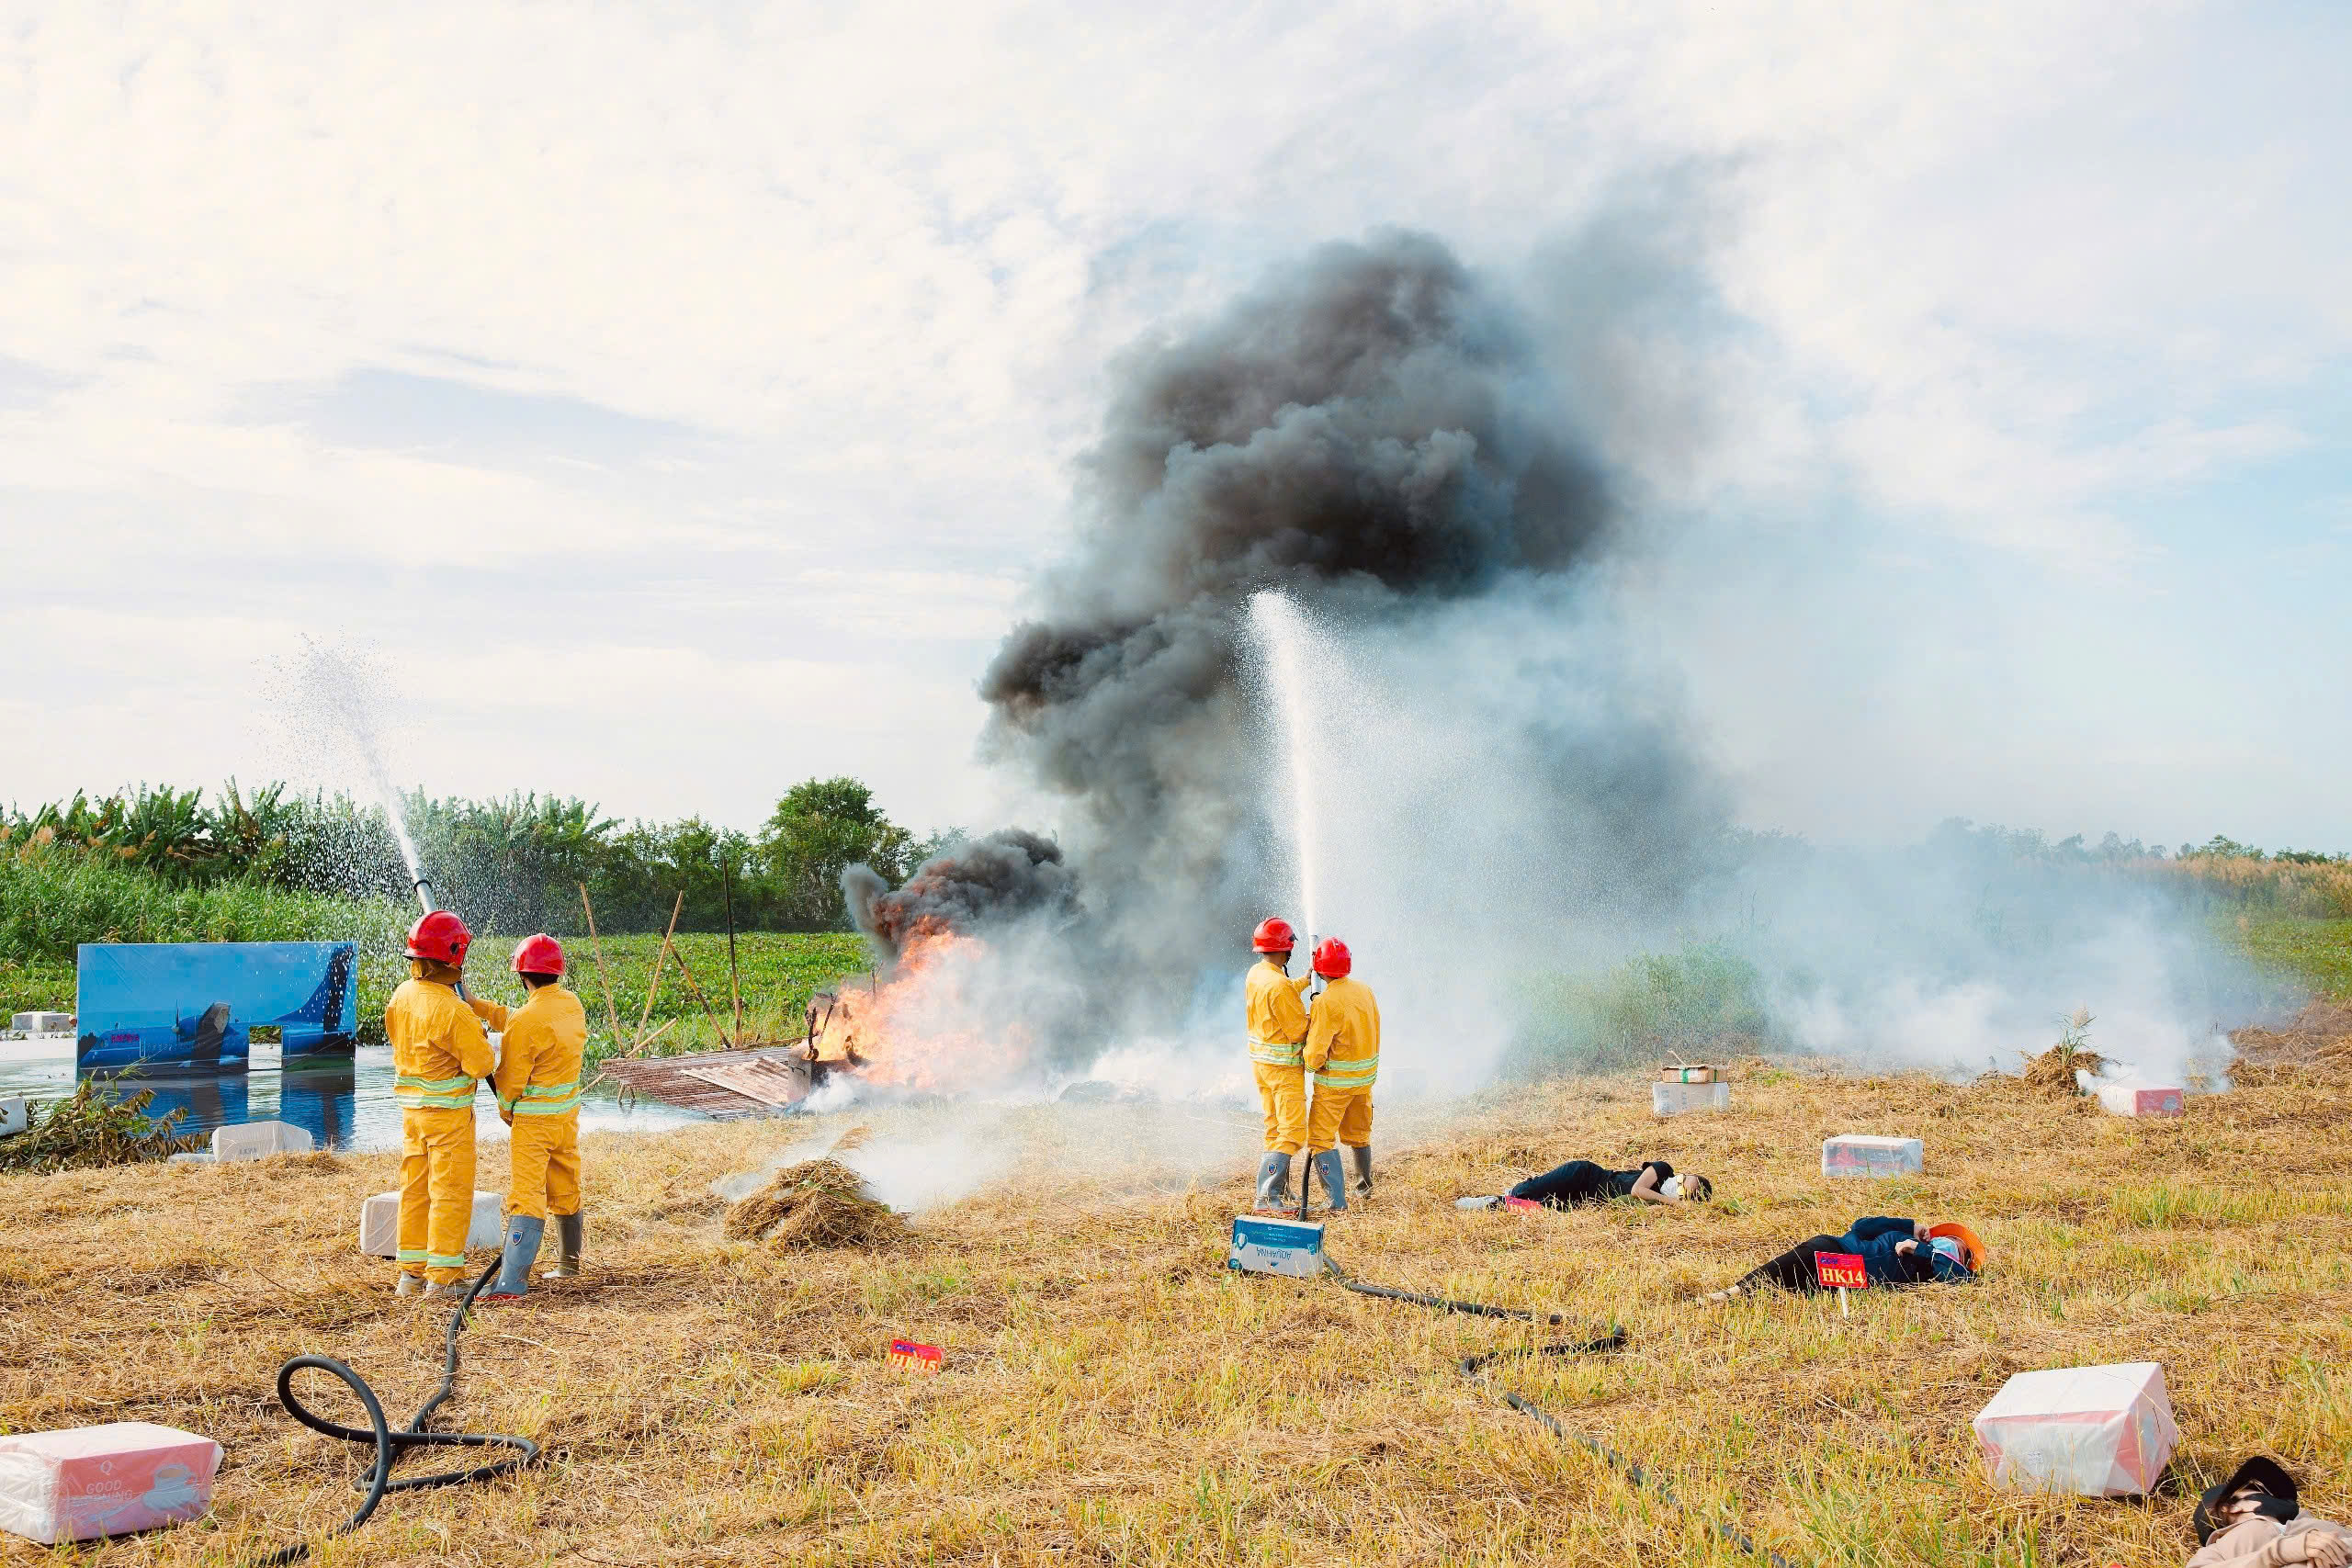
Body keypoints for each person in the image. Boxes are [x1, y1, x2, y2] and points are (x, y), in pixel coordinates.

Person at [467, 931, 589, 1300]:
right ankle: (569, 1265)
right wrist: (476, 1005)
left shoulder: (525, 1020)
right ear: (557, 971)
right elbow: (525, 1022)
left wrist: (505, 1110)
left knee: (527, 1196)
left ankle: (511, 1283)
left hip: (533, 1126)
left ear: (522, 975)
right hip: (565, 1119)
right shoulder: (571, 1004)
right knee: (565, 1187)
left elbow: (509, 1081)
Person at [386, 910, 495, 1300]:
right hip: (448, 1118)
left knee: (415, 1190)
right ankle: (445, 1278)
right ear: (454, 957)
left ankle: (411, 1275)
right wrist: (480, 1034)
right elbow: (481, 1064)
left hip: (412, 1115)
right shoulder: (452, 1010)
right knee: (449, 1192)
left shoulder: (402, 995)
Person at [1704, 1217, 1984, 1303]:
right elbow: (1861, 1226)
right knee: (1781, 1271)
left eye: (1961, 1250)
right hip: (1837, 1249)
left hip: (1850, 1281)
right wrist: (1909, 1227)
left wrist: (1920, 1251)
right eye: (1951, 1239)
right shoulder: (1903, 1234)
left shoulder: (1933, 1267)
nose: (1953, 1245)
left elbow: (1964, 1280)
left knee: (1785, 1291)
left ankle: (1738, 1295)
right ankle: (1729, 1293)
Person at [1302, 937, 1377, 1211]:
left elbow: (1315, 1054)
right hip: (1363, 1082)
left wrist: (1307, 1062)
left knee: (1320, 1138)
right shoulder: (1365, 991)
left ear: (1319, 969)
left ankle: (1335, 1200)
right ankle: (1363, 1189)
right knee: (1359, 1134)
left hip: (1334, 1085)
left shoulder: (1326, 1002)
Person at [1244, 917, 1313, 1212]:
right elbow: (1298, 1030)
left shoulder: (1257, 974)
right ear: (1286, 949)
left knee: (1275, 1128)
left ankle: (1279, 1191)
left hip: (1263, 1066)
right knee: (1293, 1131)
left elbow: (1279, 996)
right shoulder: (1278, 986)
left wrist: (1304, 981)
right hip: (1284, 1070)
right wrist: (1322, 1013)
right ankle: (1267, 1197)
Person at [2190, 1456, 2352, 1567]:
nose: (2273, 1497)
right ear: (2231, 1507)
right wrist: (2281, 1552)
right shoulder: (2218, 1550)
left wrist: (2338, 1549)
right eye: (2260, 1490)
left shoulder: (2313, 1524)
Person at [1456, 1158, 1713, 1211]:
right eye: (1683, 1179)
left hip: (1587, 1203)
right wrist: (1675, 1203)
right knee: (1528, 1191)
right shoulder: (1663, 1170)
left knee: (1539, 1208)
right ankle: (1510, 1193)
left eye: (1682, 1189)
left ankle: (1493, 1204)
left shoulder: (1658, 1208)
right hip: (1586, 1176)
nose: (1677, 1183)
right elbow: (1637, 1191)